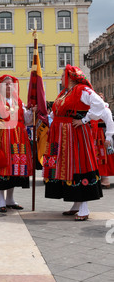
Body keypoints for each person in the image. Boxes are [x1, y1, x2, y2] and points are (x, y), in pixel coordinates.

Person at [43, 65, 106, 221]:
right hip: (61, 136)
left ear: (70, 77)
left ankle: (84, 207)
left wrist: (84, 119)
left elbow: (100, 104)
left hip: (75, 135)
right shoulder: (65, 92)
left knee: (80, 165)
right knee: (68, 169)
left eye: (63, 75)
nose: (60, 78)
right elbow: (55, 112)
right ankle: (76, 205)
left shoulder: (82, 90)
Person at [0, 75, 34, 212]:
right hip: (1, 138)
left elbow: (26, 120)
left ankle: (10, 199)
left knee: (14, 168)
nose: (9, 86)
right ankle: (1, 200)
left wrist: (32, 111)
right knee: (1, 166)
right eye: (6, 84)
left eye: (11, 84)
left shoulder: (18, 101)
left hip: (18, 138)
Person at [91, 92, 114, 189]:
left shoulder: (105, 109)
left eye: (101, 97)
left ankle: (105, 179)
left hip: (102, 134)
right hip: (94, 134)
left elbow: (110, 122)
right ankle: (100, 178)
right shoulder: (92, 109)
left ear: (103, 98)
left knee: (104, 157)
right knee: (96, 157)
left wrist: (108, 137)